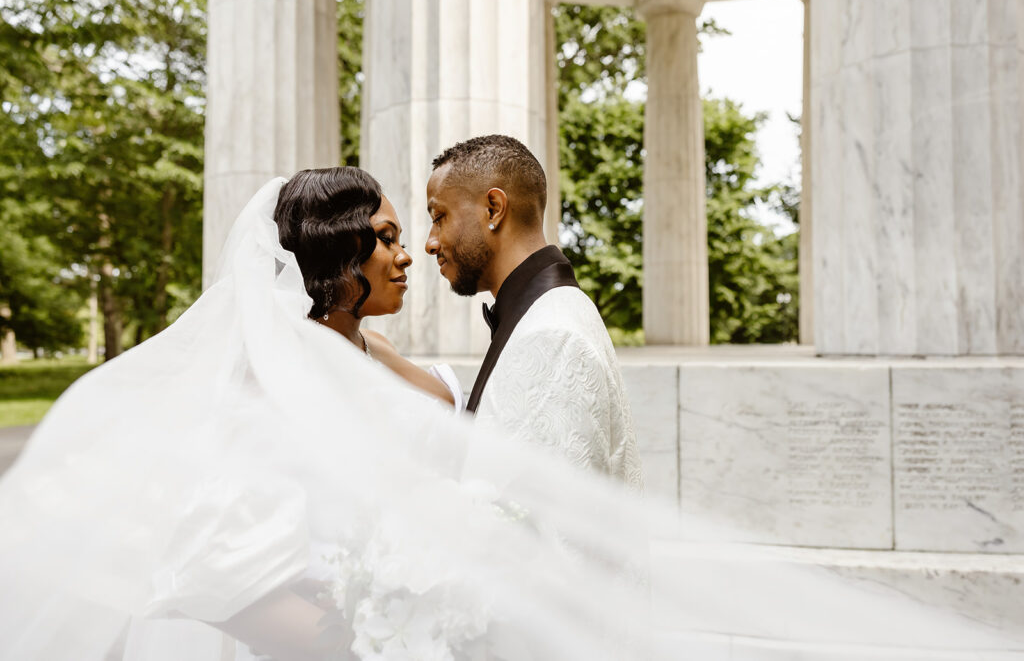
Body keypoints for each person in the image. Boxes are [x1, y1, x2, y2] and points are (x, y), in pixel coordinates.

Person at [0, 174, 1011, 660]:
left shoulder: (409, 361)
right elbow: (224, 569)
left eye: (413, 230)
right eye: (386, 236)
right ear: (333, 257)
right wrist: (369, 636)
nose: (407, 253)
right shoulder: (269, 383)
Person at [425, 135, 641, 486]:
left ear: (494, 208)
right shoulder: (544, 312)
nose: (430, 241)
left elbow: (550, 528)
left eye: (439, 216)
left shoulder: (552, 335)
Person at [273, 167, 462, 407]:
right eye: (386, 238)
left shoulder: (376, 344)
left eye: (399, 241)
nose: (405, 257)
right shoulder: (292, 359)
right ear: (334, 248)